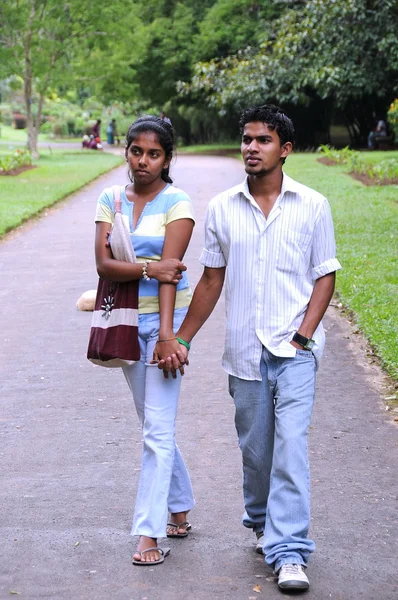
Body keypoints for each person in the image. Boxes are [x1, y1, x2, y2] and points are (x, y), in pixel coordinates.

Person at [158, 104, 342, 591]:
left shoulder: (312, 205)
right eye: (246, 139)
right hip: (244, 353)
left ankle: (291, 551)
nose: (251, 148)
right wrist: (181, 337)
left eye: (262, 140)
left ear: (285, 149)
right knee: (257, 452)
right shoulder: (222, 208)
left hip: (295, 351)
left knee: (290, 449)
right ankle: (263, 522)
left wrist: (303, 336)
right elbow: (211, 281)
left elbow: (326, 275)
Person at [94, 115, 195, 566]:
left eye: (154, 153)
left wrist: (169, 337)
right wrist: (150, 268)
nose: (143, 160)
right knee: (153, 424)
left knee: (156, 431)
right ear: (127, 152)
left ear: (167, 159)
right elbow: (102, 265)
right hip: (125, 323)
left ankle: (148, 536)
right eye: (137, 151)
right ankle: (179, 506)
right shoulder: (110, 198)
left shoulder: (179, 204)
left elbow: (173, 275)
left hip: (162, 327)